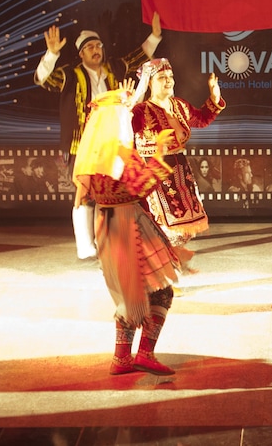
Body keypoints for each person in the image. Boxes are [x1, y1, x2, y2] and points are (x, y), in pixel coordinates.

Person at [34, 12, 162, 260]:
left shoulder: (114, 69)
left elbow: (140, 56)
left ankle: (114, 241)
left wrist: (155, 35)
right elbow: (43, 79)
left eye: (98, 46)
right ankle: (85, 245)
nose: (96, 51)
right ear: (81, 53)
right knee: (85, 192)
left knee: (115, 190)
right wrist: (51, 54)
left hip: (113, 141)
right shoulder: (71, 75)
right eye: (90, 47)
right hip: (81, 144)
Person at [72, 88, 182, 377]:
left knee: (129, 294)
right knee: (159, 292)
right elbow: (143, 185)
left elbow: (84, 195)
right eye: (123, 113)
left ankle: (122, 357)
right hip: (129, 224)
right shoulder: (119, 152)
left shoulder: (92, 156)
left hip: (106, 223)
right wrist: (159, 154)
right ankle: (144, 353)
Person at [131, 58, 225, 269]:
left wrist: (214, 97)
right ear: (149, 83)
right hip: (155, 174)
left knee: (184, 225)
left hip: (181, 171)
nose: (169, 81)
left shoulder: (179, 105)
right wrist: (127, 105)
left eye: (170, 77)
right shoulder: (140, 111)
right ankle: (161, 269)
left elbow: (201, 119)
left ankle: (168, 263)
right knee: (161, 225)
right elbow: (123, 128)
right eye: (162, 77)